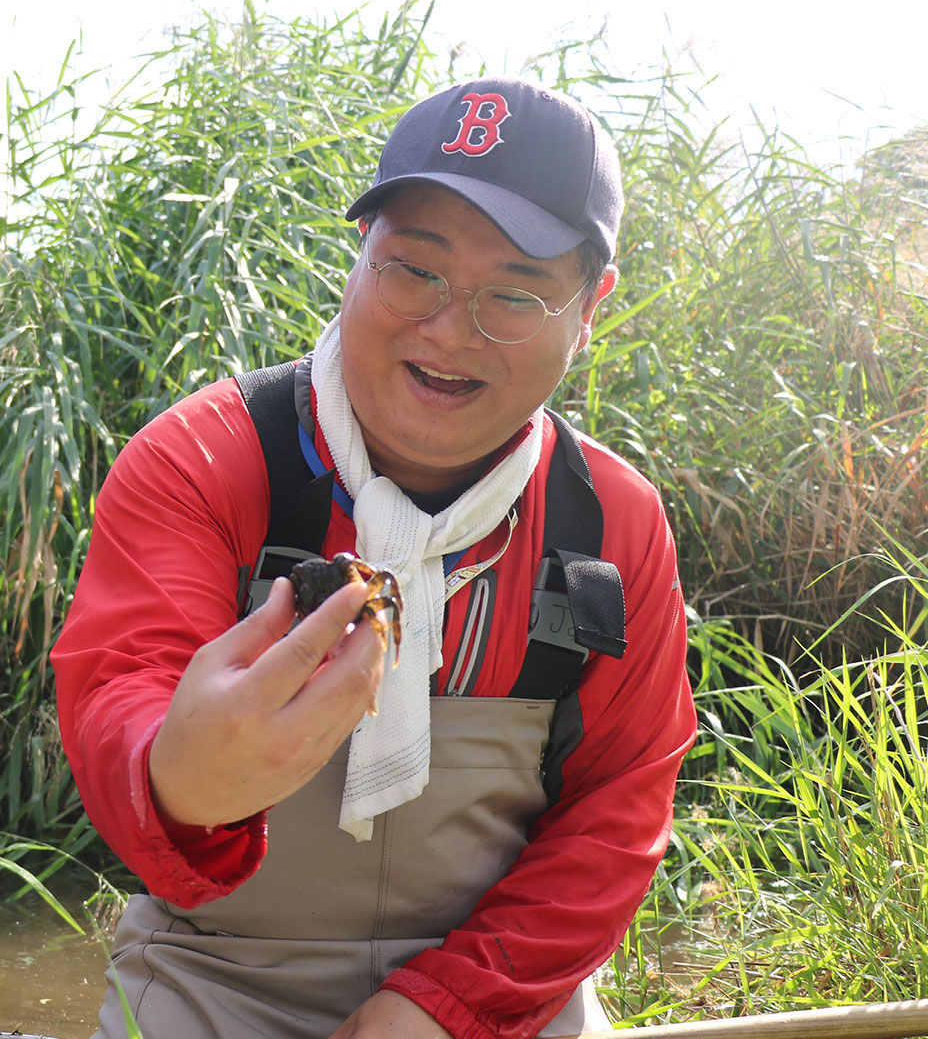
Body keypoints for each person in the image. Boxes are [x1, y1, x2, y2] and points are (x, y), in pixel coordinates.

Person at [52, 77, 695, 1039]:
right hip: (208, 983)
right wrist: (188, 782)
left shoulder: (616, 527)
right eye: (414, 271)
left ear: (590, 304)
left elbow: (618, 811)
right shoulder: (204, 459)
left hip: (501, 996)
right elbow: (120, 697)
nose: (447, 329)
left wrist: (444, 1010)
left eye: (515, 294)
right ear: (361, 253)